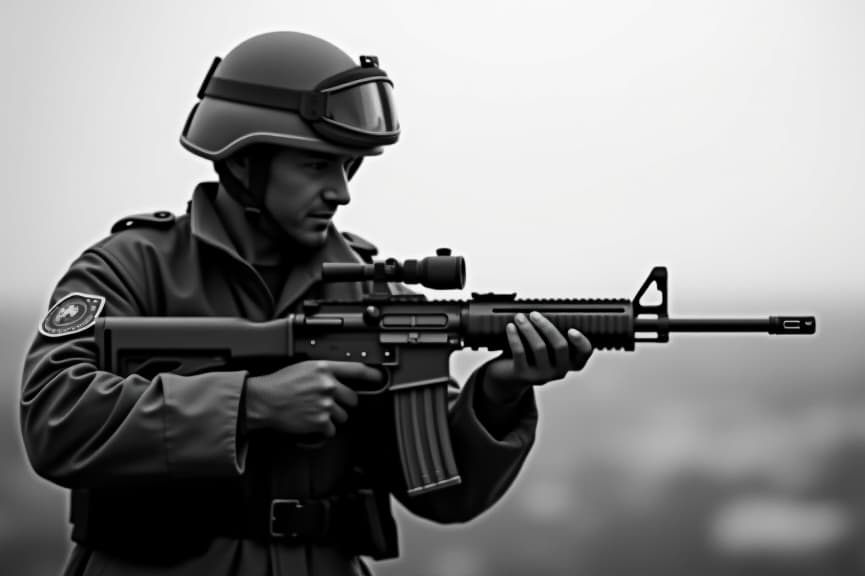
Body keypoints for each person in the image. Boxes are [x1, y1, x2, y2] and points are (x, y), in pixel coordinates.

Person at [20, 31, 594, 576]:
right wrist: (252, 405)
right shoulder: (129, 268)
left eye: (348, 167)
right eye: (318, 165)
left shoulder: (371, 289)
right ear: (244, 160)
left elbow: (443, 492)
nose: (341, 192)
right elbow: (57, 416)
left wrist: (498, 394)